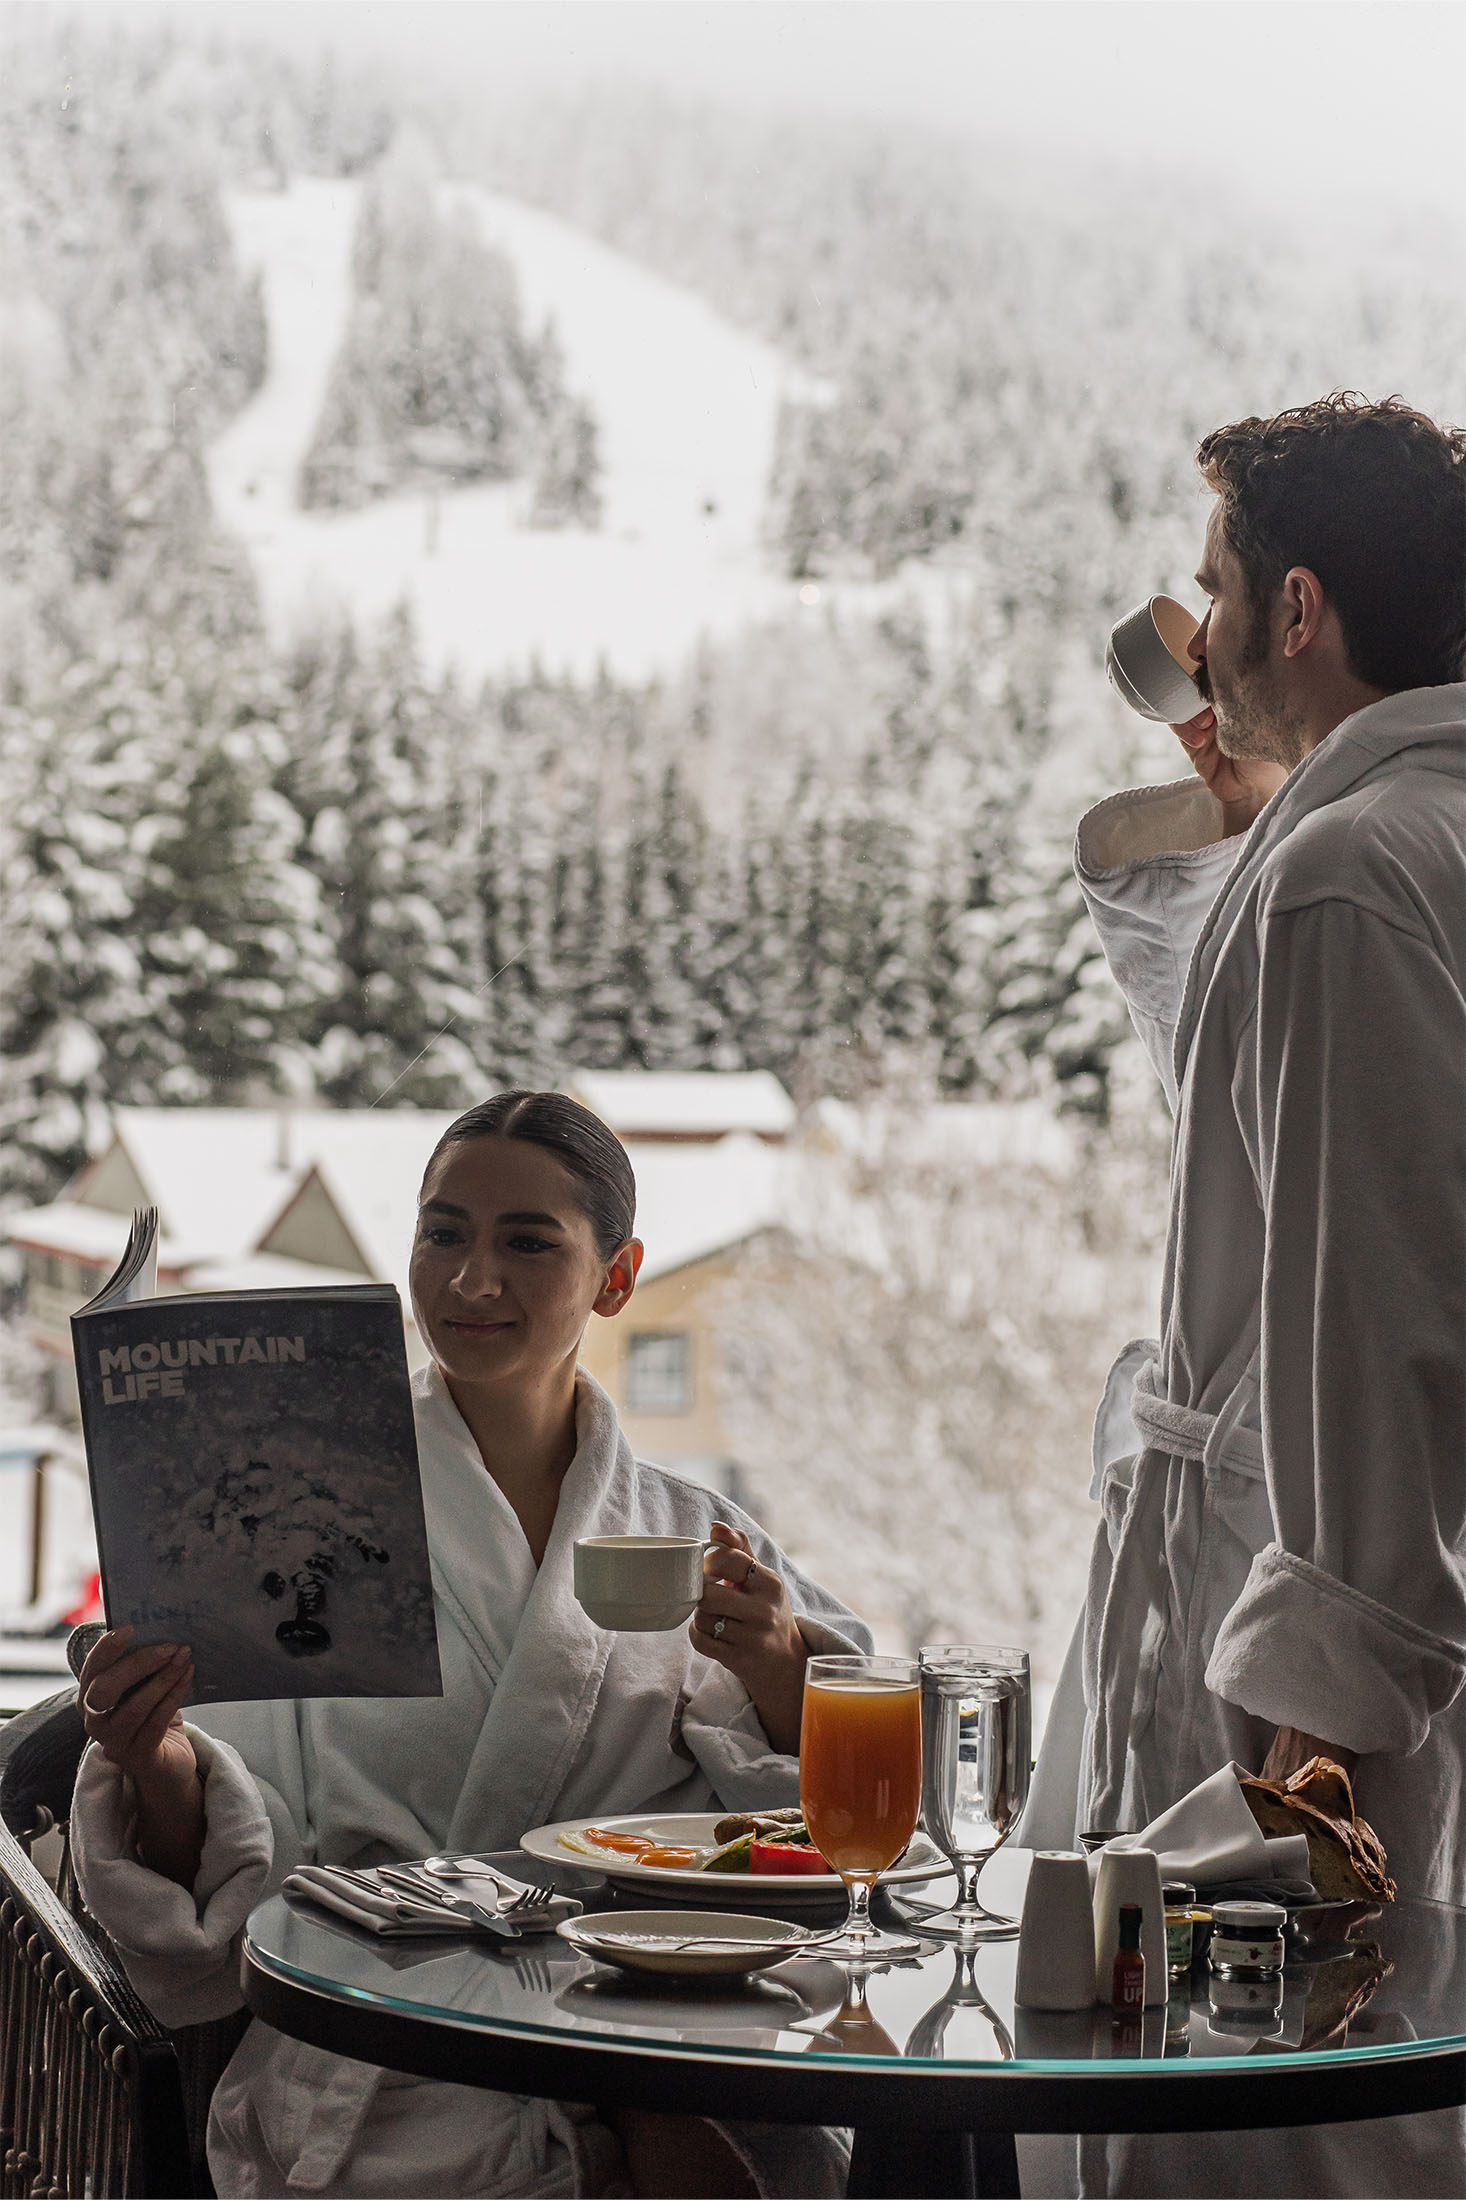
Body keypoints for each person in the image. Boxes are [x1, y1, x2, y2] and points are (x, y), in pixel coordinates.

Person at [69, 1090, 870, 2199]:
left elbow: (851, 1822)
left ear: (617, 1276)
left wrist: (782, 1671)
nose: (469, 1280)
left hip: (642, 2034)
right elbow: (231, 1862)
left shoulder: (690, 1535)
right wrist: (151, 1749)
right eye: (442, 1232)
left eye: (525, 1242)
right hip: (391, 2048)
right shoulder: (293, 1507)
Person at [1024, 394, 1465, 2196]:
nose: (1191, 633)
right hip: (1355, 1620)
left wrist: (1300, 1782)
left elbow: (1385, 1328)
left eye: (1212, 589)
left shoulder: (1352, 878)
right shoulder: (1389, 835)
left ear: (1295, 609)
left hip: (1322, 1671)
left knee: (1261, 2155)